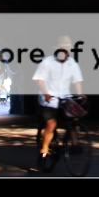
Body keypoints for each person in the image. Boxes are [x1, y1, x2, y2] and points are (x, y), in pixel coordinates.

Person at [32, 36, 84, 167]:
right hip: (49, 99)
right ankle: (44, 150)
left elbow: (77, 81)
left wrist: (80, 95)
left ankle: (75, 143)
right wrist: (46, 93)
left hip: (65, 97)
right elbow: (39, 79)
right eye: (64, 44)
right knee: (52, 124)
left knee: (73, 118)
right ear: (57, 47)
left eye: (69, 44)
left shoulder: (72, 63)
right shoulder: (47, 62)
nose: (67, 46)